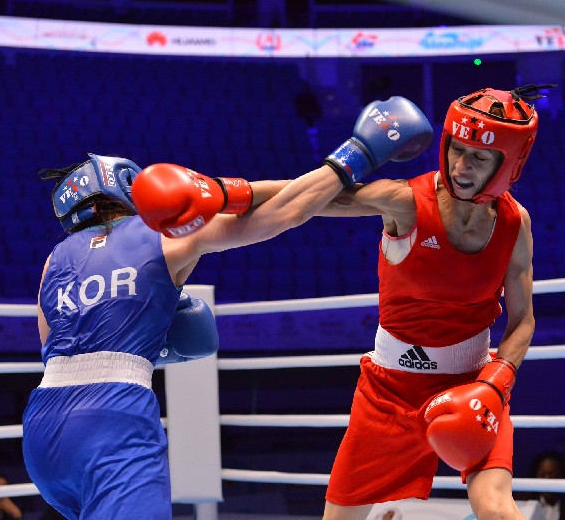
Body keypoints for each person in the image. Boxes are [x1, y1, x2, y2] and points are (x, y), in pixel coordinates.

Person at [22, 96, 434, 520]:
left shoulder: (54, 261)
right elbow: (284, 213)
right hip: (112, 418)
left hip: (43, 428)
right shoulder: (159, 235)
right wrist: (359, 154)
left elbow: (56, 345)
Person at [315, 84, 555, 520]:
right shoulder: (405, 201)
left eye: (479, 157)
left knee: (497, 510)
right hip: (390, 392)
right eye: (457, 149)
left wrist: (494, 384)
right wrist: (227, 195)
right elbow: (305, 202)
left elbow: (522, 320)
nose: (461, 166)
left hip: (474, 383)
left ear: (506, 163)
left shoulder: (514, 223)